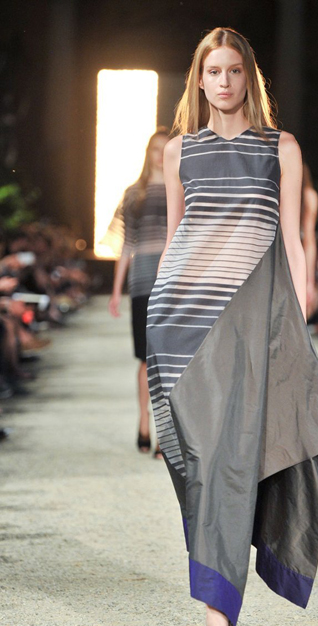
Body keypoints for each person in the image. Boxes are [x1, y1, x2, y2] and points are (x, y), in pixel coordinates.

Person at [146, 28, 318, 626]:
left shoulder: (280, 148)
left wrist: (299, 323)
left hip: (256, 326)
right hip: (184, 327)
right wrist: (155, 328)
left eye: (233, 71)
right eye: (213, 72)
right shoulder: (180, 151)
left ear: (248, 77)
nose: (223, 82)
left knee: (242, 461)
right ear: (198, 80)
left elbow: (293, 240)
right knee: (205, 467)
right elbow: (175, 238)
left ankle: (221, 611)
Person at [108, 128, 170, 455]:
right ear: (148, 153)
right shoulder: (134, 194)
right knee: (146, 359)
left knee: (168, 359)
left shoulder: (181, 189)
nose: (160, 155)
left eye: (165, 149)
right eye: (155, 149)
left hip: (172, 280)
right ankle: (144, 421)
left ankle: (164, 432)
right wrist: (116, 290)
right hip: (143, 281)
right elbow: (127, 244)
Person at [301, 163, 318, 319]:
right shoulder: (309, 196)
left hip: (294, 256)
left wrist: (309, 281)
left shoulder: (308, 196)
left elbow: (309, 241)